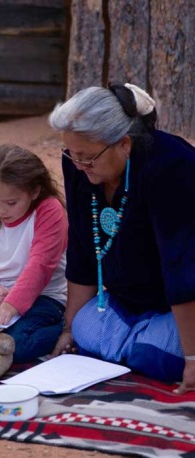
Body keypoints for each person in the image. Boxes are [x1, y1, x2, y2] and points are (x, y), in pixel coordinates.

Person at [48, 81, 195, 394]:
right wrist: (70, 329)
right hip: (125, 305)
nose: (77, 164)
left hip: (182, 304)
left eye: (87, 157)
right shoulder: (78, 164)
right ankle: (138, 346)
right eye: (71, 153)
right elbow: (81, 249)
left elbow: (181, 264)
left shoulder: (171, 166)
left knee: (173, 353)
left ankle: (145, 346)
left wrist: (192, 357)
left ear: (124, 144)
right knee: (85, 331)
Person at [0, 144, 68, 362]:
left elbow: (40, 267)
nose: (0, 210)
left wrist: (11, 306)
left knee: (14, 345)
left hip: (47, 297)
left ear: (35, 191)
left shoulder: (49, 210)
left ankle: (71, 328)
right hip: (2, 303)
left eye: (11, 202)